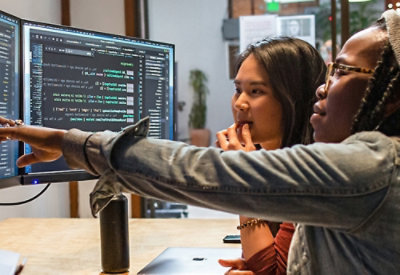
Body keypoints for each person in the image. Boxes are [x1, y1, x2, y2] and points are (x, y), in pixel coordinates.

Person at [0, 10, 400, 274]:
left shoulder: (374, 169)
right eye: (237, 88)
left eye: (342, 72)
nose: (322, 89)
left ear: (391, 94)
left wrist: (67, 142)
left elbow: (189, 170)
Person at [215, 37, 326, 274]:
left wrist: (242, 177)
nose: (240, 104)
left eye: (256, 91)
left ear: (292, 99)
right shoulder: (272, 164)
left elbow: (272, 272)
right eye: (237, 90)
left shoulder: (309, 172)